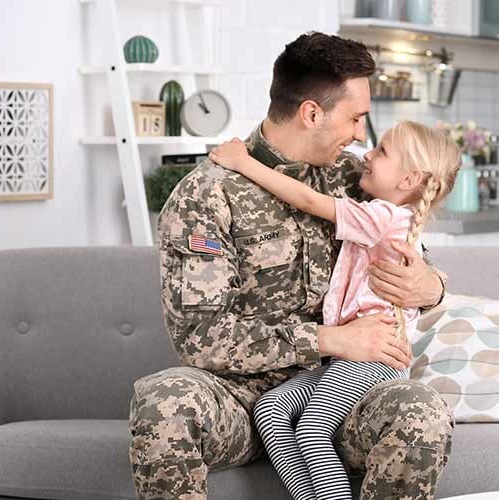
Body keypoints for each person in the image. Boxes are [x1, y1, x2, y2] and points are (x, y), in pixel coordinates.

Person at [128, 32, 453, 500]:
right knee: (165, 399)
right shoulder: (207, 195)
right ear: (312, 113)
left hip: (342, 396)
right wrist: (330, 338)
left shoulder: (352, 177)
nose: (363, 136)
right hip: (240, 402)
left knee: (420, 409)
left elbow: (407, 246)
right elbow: (200, 338)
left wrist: (431, 286)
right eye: (356, 117)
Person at [207, 120, 462, 500]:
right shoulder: (388, 217)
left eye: (382, 151)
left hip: (372, 359)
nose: (367, 154)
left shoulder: (383, 218)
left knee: (312, 428)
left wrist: (243, 163)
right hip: (344, 358)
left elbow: (309, 201)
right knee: (270, 408)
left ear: (409, 180)